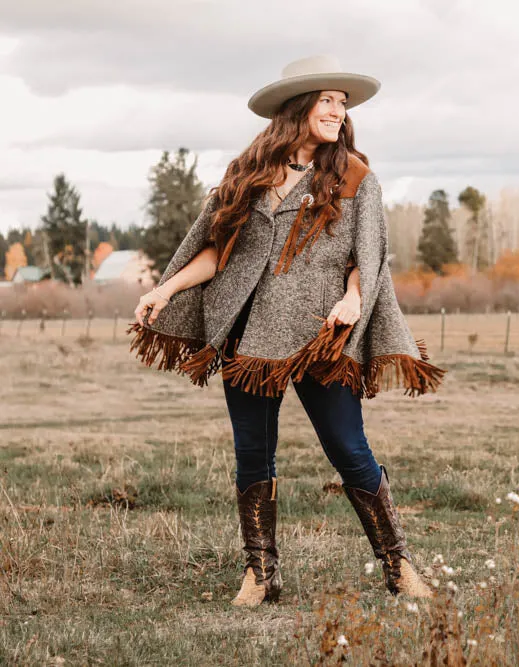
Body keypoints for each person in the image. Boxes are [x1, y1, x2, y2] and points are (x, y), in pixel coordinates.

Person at [129, 55, 444, 606]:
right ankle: (261, 574)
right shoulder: (247, 173)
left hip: (321, 335)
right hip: (247, 336)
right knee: (253, 453)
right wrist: (165, 288)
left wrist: (353, 299)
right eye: (327, 99)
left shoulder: (354, 178)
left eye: (342, 103)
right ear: (297, 107)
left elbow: (369, 256)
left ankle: (399, 566)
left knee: (348, 447)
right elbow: (215, 250)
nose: (337, 110)